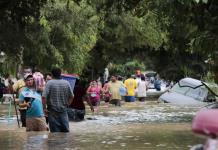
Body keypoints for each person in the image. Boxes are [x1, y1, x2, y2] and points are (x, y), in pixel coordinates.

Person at [42, 67, 74, 132]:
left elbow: (43, 97)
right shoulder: (66, 83)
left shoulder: (49, 83)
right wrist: (67, 104)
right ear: (60, 74)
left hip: (52, 111)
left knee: (55, 133)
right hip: (63, 110)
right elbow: (72, 96)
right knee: (65, 131)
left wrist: (44, 108)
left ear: (52, 75)